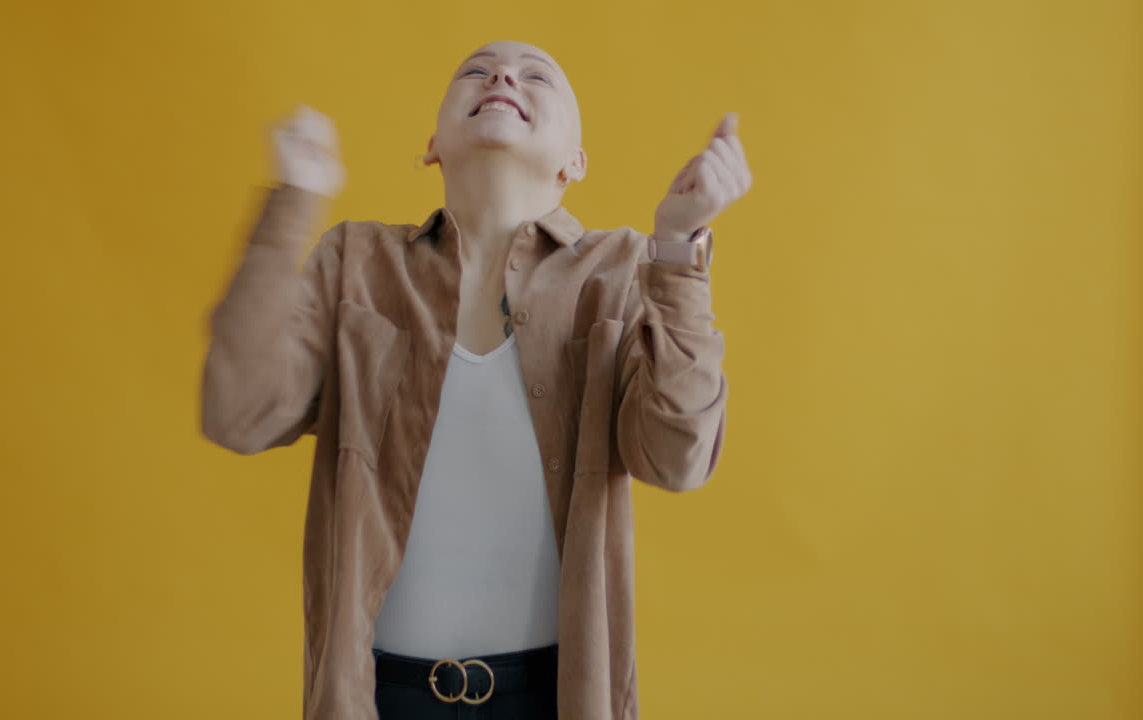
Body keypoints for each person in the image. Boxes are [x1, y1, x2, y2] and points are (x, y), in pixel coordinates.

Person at [201, 39, 751, 720]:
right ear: (433, 145)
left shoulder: (619, 271)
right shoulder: (354, 261)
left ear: (575, 162)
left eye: (535, 76)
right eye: (477, 71)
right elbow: (238, 410)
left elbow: (676, 457)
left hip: (558, 698)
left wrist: (677, 249)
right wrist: (292, 205)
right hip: (375, 697)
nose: (502, 77)